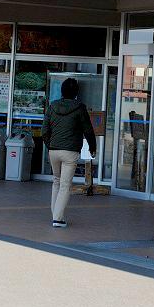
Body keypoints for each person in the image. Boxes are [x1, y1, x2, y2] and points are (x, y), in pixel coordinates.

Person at [42, 78, 96, 228]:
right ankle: (58, 219)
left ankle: (55, 215)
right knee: (65, 185)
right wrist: (92, 147)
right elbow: (88, 130)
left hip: (54, 150)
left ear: (62, 91)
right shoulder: (80, 108)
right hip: (70, 151)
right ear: (76, 92)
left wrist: (51, 146)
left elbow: (44, 131)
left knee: (56, 182)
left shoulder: (52, 106)